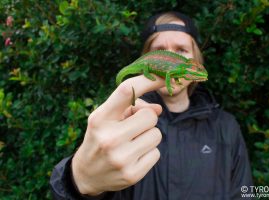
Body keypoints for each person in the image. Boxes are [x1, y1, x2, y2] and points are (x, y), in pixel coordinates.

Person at [50, 11, 253, 200]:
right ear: (148, 54)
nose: (172, 55)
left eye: (182, 49)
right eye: (159, 50)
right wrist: (80, 180)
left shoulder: (225, 127)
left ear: (196, 59)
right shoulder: (128, 119)